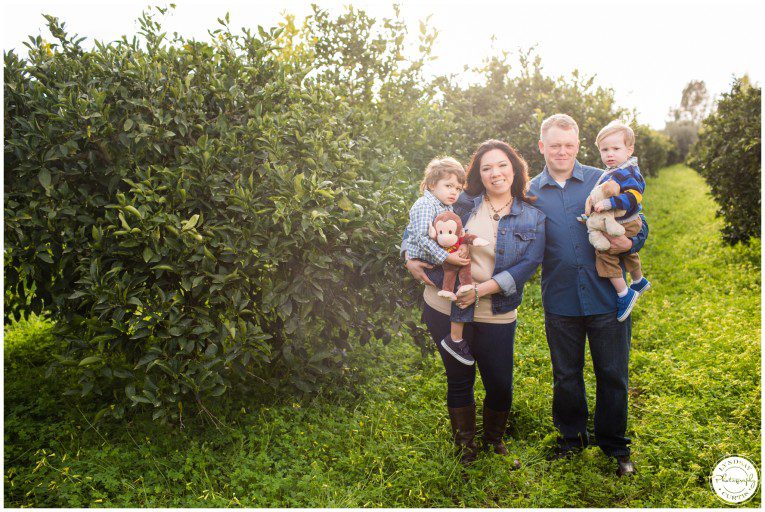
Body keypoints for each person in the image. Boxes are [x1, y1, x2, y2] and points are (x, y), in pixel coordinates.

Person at [404, 140, 545, 466]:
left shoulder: (531, 216)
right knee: (459, 378)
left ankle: (493, 440)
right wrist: (408, 257)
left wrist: (481, 291)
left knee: (499, 383)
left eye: (502, 165)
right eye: (486, 168)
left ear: (515, 169)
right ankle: (466, 447)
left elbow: (528, 265)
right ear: (478, 175)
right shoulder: (462, 202)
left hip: (495, 311)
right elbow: (418, 226)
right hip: (446, 306)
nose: (495, 173)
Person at [529, 114, 648, 477]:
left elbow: (639, 223)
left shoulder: (604, 178)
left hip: (605, 299)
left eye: (569, 144)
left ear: (578, 145)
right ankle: (571, 439)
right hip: (560, 298)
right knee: (566, 374)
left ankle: (614, 445)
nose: (562, 151)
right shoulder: (531, 192)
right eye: (555, 145)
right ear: (542, 147)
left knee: (612, 373)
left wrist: (631, 241)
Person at [401, 157, 479, 366]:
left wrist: (465, 240)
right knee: (462, 289)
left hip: (439, 260)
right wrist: (446, 257)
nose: (454, 192)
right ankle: (455, 339)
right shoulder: (426, 205)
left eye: (458, 188)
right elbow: (420, 237)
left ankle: (456, 336)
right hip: (430, 263)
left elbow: (454, 230)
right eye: (448, 186)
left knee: (463, 286)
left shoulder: (446, 205)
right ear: (432, 184)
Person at [590, 121, 651, 321]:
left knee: (605, 253)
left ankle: (624, 293)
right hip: (626, 222)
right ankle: (639, 280)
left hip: (628, 221)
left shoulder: (627, 172)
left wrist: (609, 203)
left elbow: (635, 196)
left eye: (616, 148)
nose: (609, 154)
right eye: (604, 149)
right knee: (626, 254)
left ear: (629, 149)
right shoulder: (613, 171)